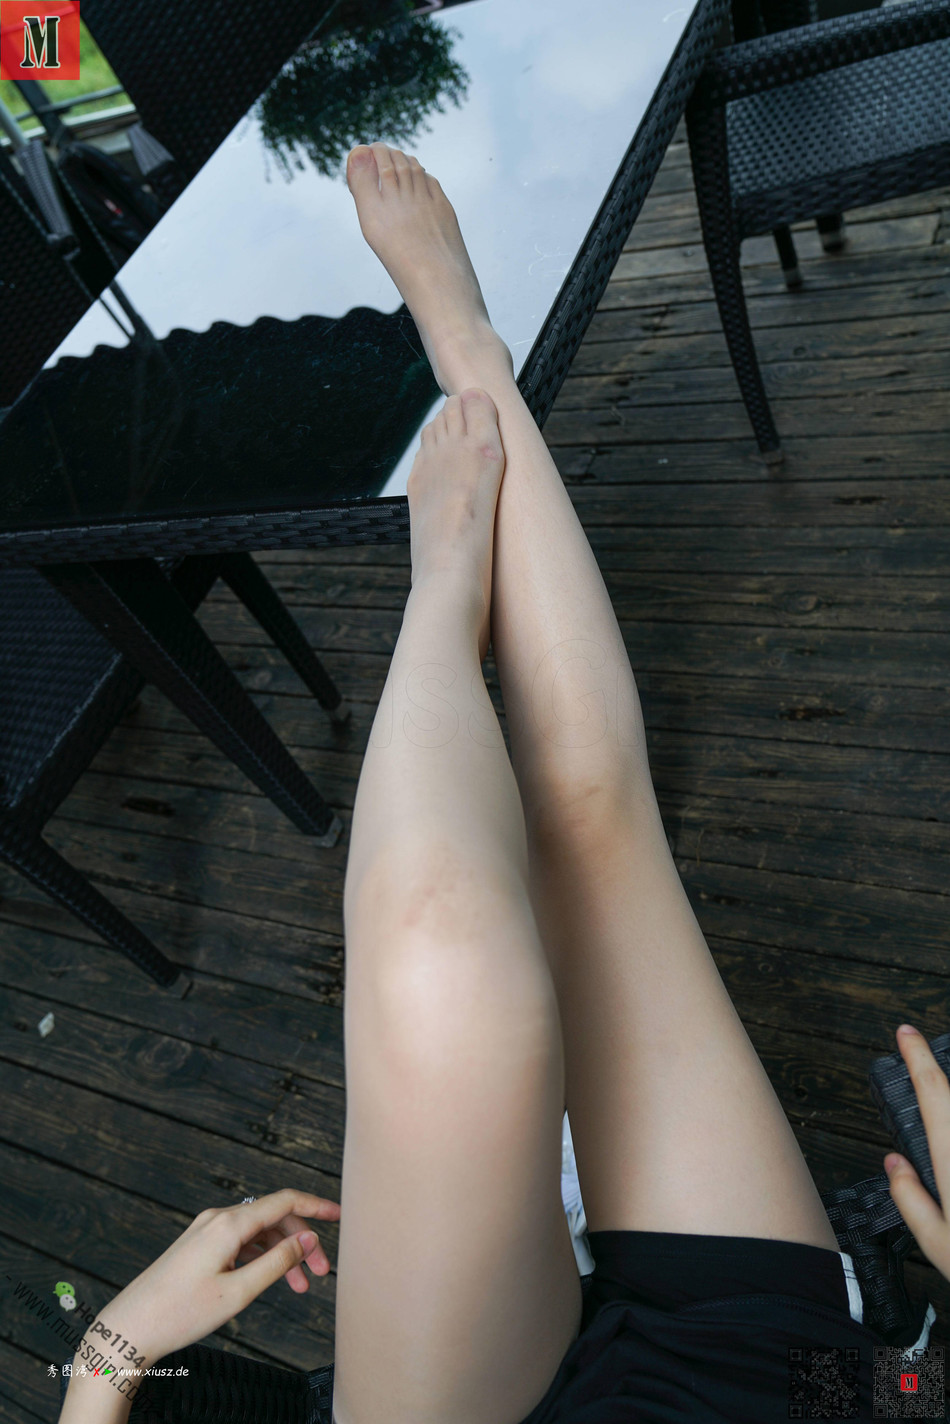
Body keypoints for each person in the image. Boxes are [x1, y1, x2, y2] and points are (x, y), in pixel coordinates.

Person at [58, 144, 949, 1424]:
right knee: (588, 826)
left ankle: (446, 558)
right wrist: (908, 1381)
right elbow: (901, 1396)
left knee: (440, 948)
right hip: (772, 1382)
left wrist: (107, 1355)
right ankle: (463, 365)